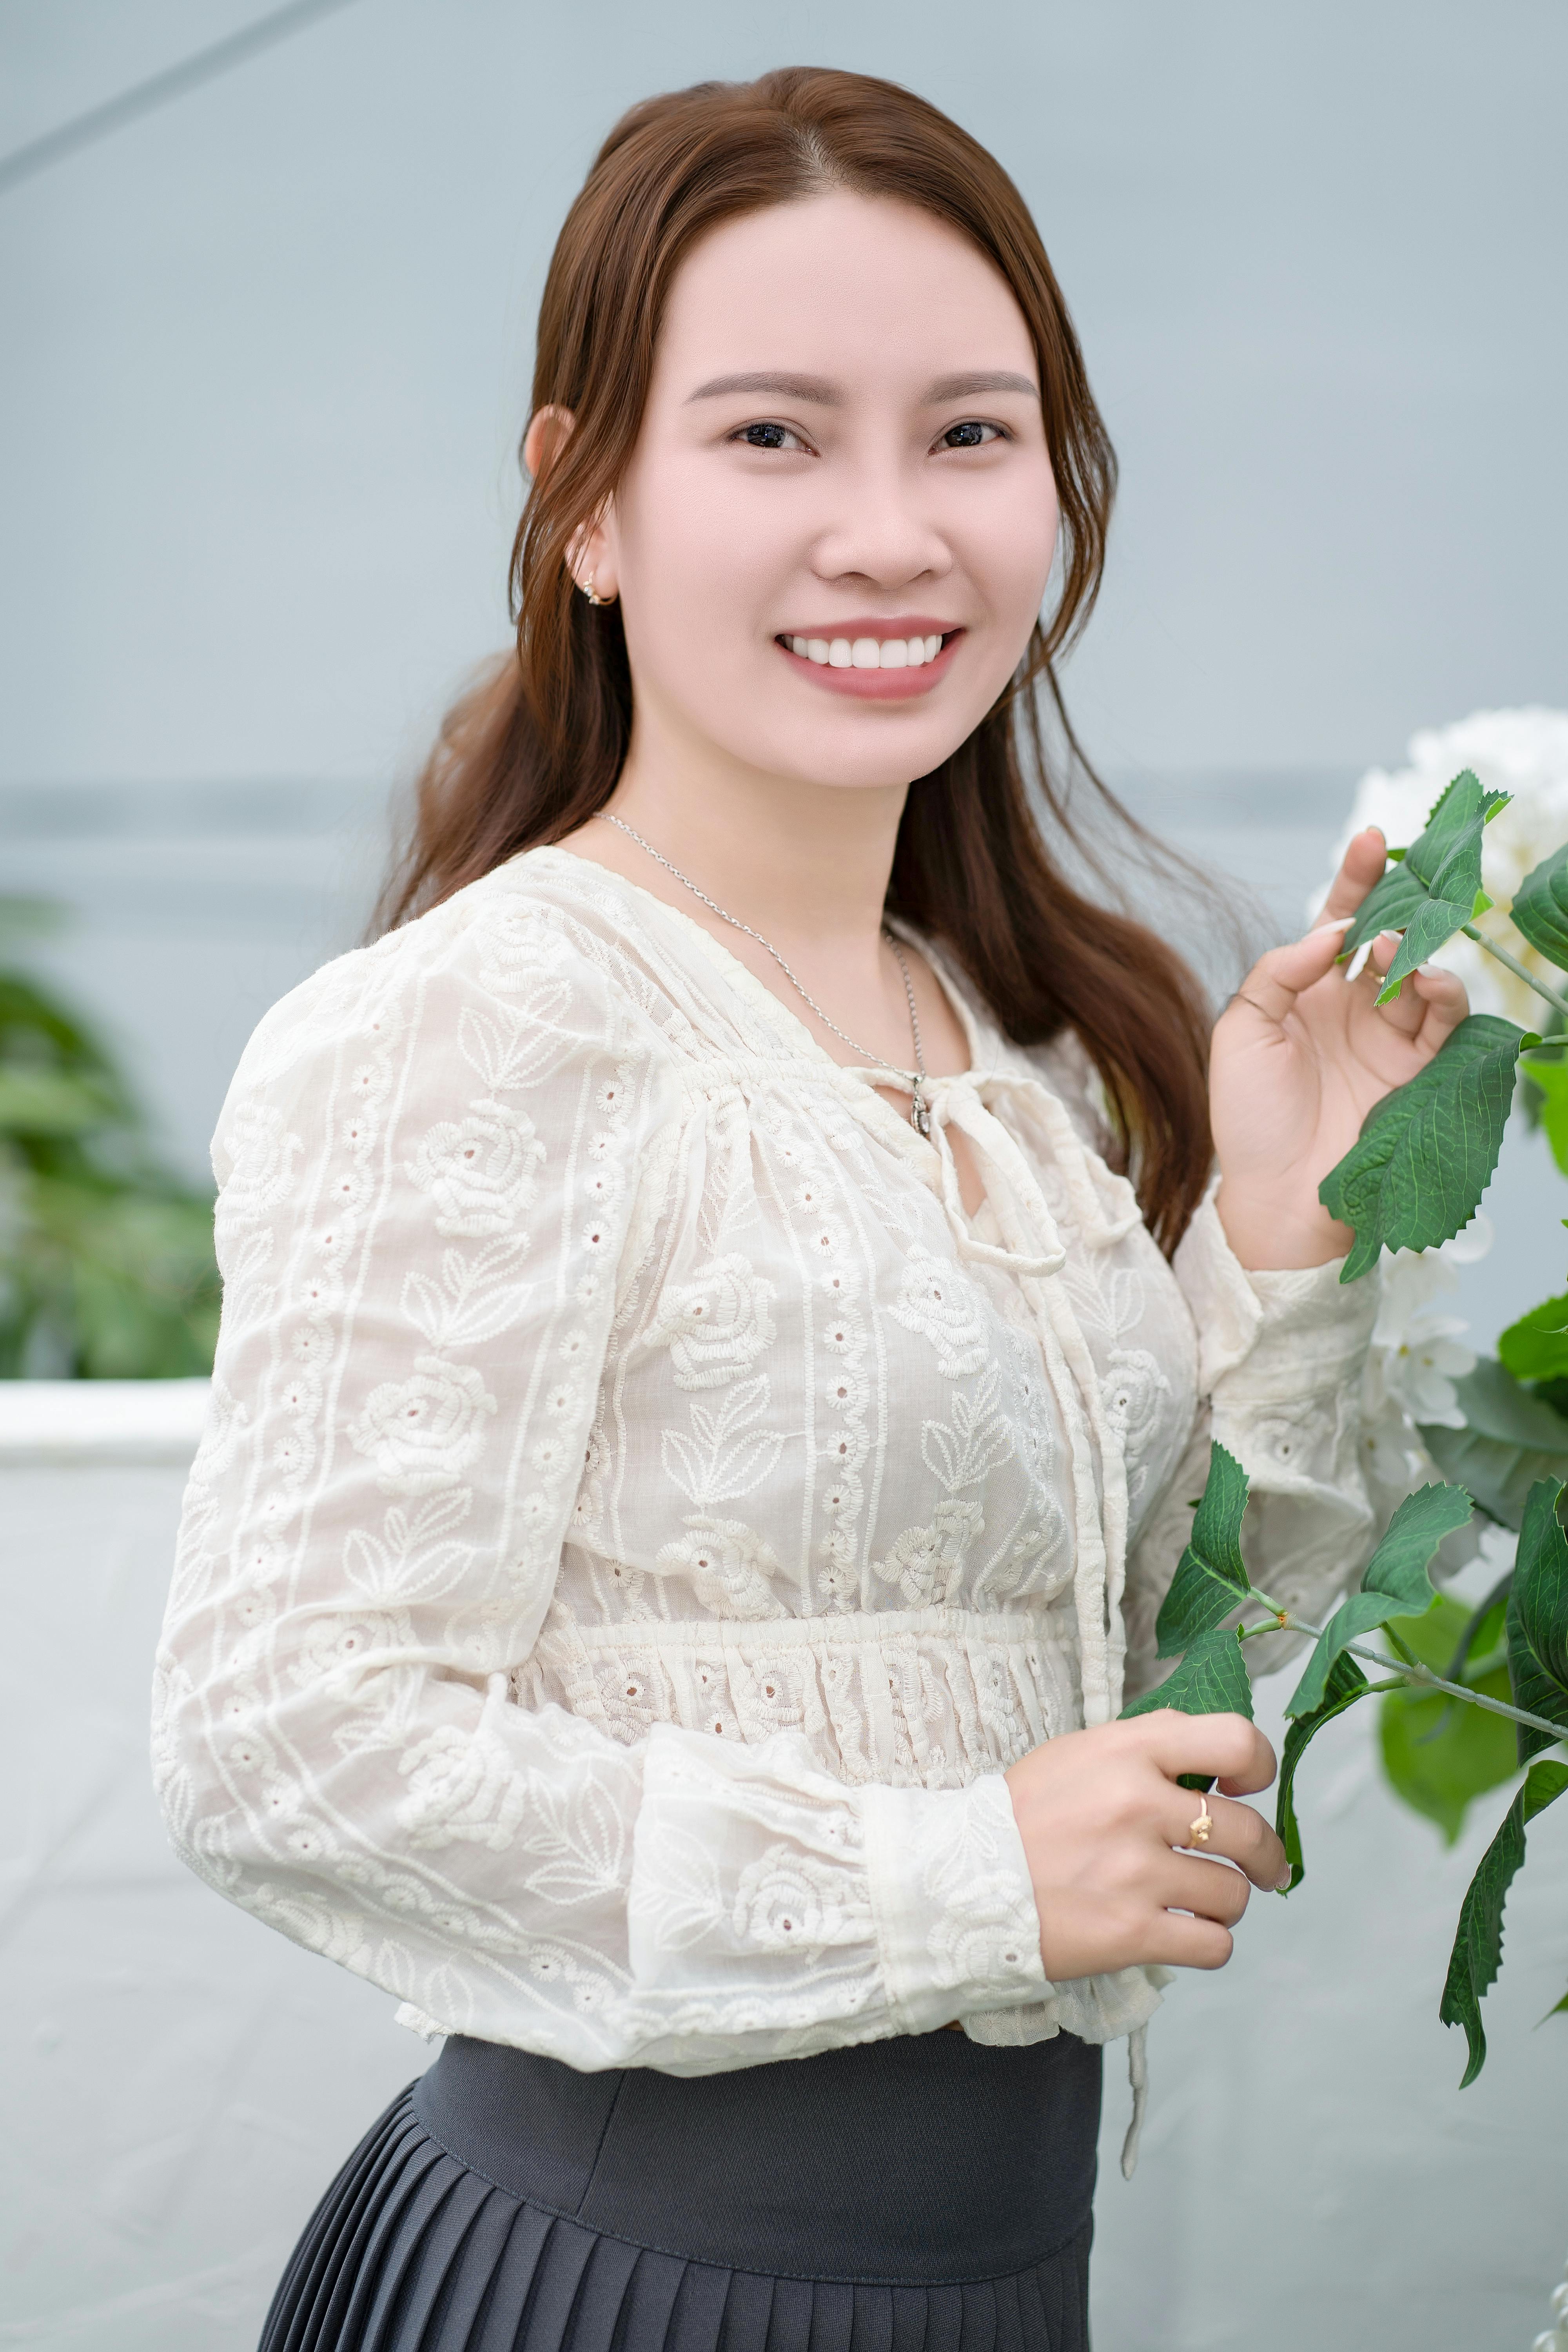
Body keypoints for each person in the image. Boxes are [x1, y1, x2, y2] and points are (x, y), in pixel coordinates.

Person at [153, 67, 1466, 2352]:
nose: (893, 531)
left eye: (971, 436)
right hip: (620, 2284)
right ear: (581, 506)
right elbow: (290, 1738)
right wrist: (963, 1876)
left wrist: (1278, 1220)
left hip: (987, 2287)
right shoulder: (491, 1027)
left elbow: (1148, 1692)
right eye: (773, 437)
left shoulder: (1012, 1048)